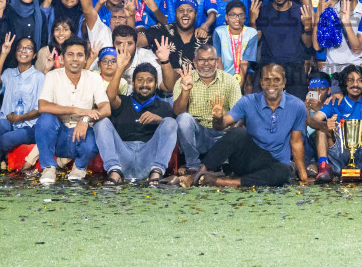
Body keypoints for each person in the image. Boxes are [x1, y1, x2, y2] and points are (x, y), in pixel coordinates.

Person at [180, 63, 309, 187]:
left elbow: (296, 142)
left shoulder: (297, 106)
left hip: (274, 164)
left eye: (276, 80)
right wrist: (218, 118)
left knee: (283, 172)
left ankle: (219, 181)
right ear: (261, 82)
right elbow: (220, 126)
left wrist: (303, 174)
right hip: (247, 159)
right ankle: (198, 175)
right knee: (237, 133)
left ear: (284, 82)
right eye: (267, 79)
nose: (271, 84)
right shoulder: (248, 101)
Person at [95, 50, 178, 186]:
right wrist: (120, 68)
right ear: (133, 83)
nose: (144, 84)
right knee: (101, 122)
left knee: (170, 122)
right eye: (140, 80)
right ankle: (114, 171)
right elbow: (110, 97)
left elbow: (170, 130)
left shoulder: (164, 107)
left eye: (149, 81)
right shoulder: (123, 102)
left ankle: (157, 172)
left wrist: (159, 120)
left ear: (156, 84)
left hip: (148, 158)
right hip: (122, 157)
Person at [33, 38, 107, 185]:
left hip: (81, 133)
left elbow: (106, 108)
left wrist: (85, 119)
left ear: (86, 58)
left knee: (96, 135)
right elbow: (42, 106)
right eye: (70, 54)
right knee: (45, 119)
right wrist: (76, 110)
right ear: (62, 57)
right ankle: (48, 167)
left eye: (80, 55)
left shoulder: (94, 78)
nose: (75, 59)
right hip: (59, 134)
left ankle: (79, 167)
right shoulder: (53, 76)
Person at [172, 43, 243, 172]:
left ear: (216, 61)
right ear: (194, 62)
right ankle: (193, 166)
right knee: (183, 119)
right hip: (196, 134)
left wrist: (224, 123)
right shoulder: (184, 79)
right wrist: (186, 91)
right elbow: (177, 112)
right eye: (201, 60)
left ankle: (222, 166)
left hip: (220, 133)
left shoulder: (230, 81)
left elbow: (238, 114)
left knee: (236, 132)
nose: (206, 64)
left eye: (210, 59)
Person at [0, 34, 44, 167]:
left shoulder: (39, 77)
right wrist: (4, 53)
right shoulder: (9, 73)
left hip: (29, 126)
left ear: (34, 55)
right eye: (20, 48)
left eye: (28, 48)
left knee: (5, 139)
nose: (23, 51)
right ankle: (4, 156)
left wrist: (19, 118)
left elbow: (40, 109)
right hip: (8, 122)